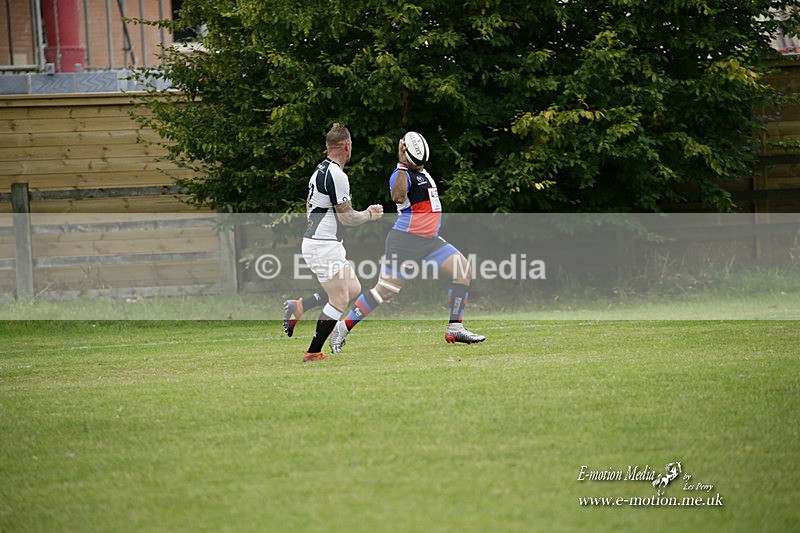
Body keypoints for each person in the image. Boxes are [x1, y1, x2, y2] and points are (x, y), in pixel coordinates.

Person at [328, 131, 485, 354]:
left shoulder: (423, 172)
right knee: (385, 291)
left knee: (462, 270)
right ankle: (341, 329)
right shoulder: (401, 174)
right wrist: (402, 163)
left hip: (430, 240)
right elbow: (398, 197)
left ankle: (455, 328)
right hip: (407, 241)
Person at [284, 123, 383, 362]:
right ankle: (313, 352)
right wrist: (370, 214)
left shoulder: (320, 170)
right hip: (322, 245)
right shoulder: (337, 175)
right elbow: (347, 218)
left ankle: (300, 306)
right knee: (339, 299)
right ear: (347, 146)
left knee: (353, 288)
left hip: (325, 243)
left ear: (328, 146)